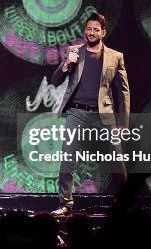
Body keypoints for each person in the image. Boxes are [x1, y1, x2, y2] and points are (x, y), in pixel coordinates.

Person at [51, 12, 130, 217]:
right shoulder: (75, 52)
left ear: (103, 32)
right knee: (68, 157)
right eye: (88, 29)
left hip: (103, 113)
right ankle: (65, 203)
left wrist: (123, 122)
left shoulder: (115, 56)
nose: (91, 32)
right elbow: (56, 80)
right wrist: (67, 63)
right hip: (77, 112)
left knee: (117, 159)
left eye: (96, 29)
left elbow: (123, 92)